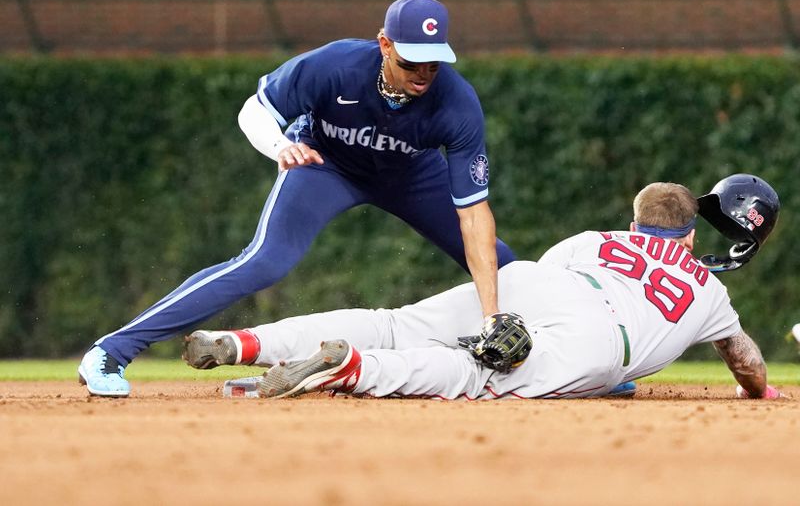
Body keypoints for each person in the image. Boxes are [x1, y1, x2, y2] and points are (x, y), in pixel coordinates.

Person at [78, 0, 517, 397]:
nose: (423, 74)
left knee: (507, 267)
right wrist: (280, 147)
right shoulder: (335, 66)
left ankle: (539, 357)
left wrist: (494, 314)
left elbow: (474, 215)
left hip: (412, 175)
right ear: (384, 44)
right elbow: (254, 110)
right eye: (411, 62)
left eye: (433, 65)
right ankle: (110, 352)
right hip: (324, 165)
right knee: (263, 261)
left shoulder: (457, 103)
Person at [189, 175, 783, 400]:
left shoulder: (597, 239)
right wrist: (757, 392)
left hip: (543, 281)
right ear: (686, 235)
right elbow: (747, 362)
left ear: (635, 224)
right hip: (596, 342)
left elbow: (536, 290)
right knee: (478, 375)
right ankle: (354, 370)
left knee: (396, 322)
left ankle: (243, 341)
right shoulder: (706, 288)